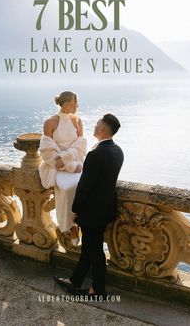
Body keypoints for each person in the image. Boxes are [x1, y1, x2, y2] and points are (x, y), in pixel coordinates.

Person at [53, 113, 124, 299]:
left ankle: (98, 290)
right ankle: (74, 282)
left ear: (101, 129)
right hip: (107, 208)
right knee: (89, 248)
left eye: (97, 124)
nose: (95, 126)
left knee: (95, 251)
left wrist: (75, 210)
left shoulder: (95, 154)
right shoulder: (118, 151)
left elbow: (85, 186)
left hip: (92, 212)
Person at [39, 91, 87, 244]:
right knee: (66, 189)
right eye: (75, 103)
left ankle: (80, 221)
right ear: (67, 104)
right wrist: (65, 164)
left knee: (83, 185)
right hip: (56, 166)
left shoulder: (77, 121)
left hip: (75, 163)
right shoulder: (50, 123)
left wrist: (69, 161)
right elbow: (47, 151)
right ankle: (70, 226)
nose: (77, 106)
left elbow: (80, 147)